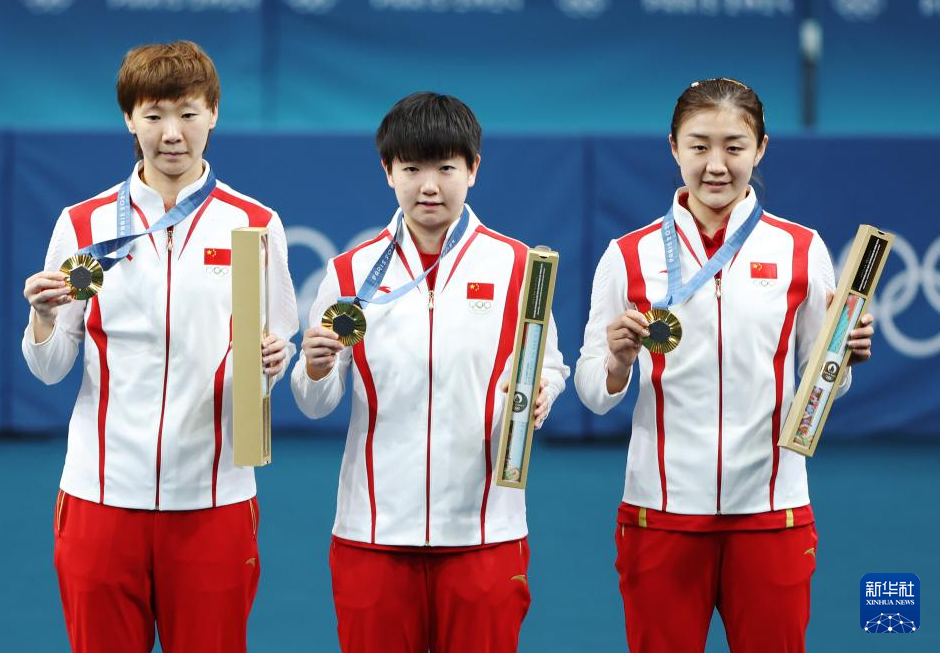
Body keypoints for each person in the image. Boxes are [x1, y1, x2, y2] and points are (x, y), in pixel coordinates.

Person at [574, 78, 875, 652]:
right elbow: (592, 390)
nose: (716, 165)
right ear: (674, 148)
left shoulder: (801, 249)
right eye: (699, 146)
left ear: (760, 149)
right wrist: (616, 361)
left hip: (772, 512)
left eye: (734, 147)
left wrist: (841, 358)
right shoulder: (628, 255)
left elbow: (824, 384)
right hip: (660, 512)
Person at [21, 40, 298, 653]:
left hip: (214, 499)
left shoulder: (255, 224)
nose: (172, 133)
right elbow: (50, 368)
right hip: (100, 496)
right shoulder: (83, 223)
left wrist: (277, 361)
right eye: (154, 115)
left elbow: (274, 347)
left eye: (188, 113)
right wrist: (43, 317)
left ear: (214, 114)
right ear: (129, 119)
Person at [290, 91, 569, 653]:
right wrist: (315, 368)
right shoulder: (349, 271)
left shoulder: (518, 265)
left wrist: (543, 392)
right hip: (373, 531)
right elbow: (314, 402)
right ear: (388, 171)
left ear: (473, 169)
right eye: (412, 169)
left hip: (485, 531)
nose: (429, 186)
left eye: (445, 168)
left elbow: (549, 363)